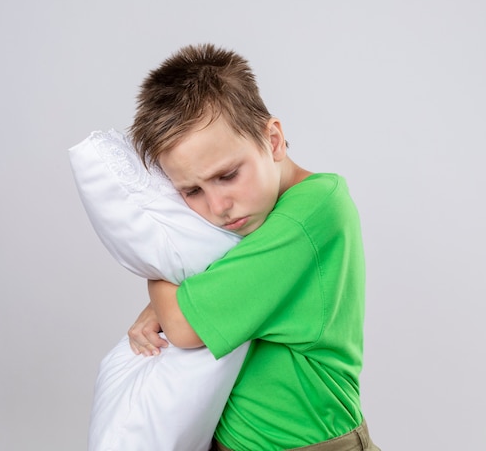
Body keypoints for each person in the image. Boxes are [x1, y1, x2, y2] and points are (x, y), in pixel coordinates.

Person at [128, 44, 380, 451]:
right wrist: (172, 300)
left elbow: (185, 327)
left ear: (274, 140)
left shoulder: (312, 211)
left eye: (227, 175)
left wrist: (158, 277)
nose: (218, 207)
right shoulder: (253, 222)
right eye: (192, 190)